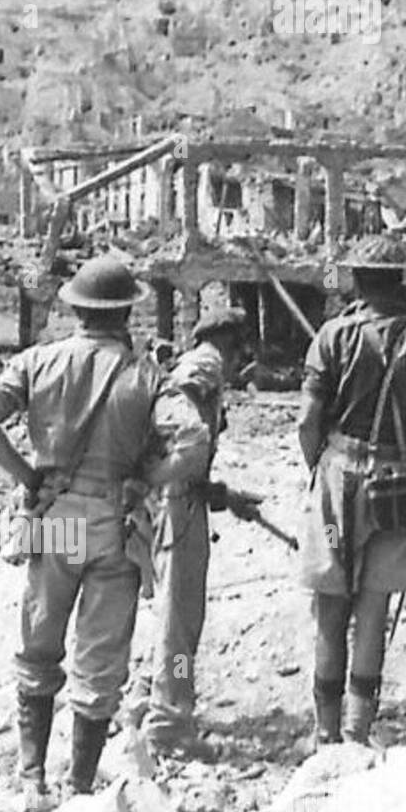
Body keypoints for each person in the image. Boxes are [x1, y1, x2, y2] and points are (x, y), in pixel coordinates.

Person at [0, 255, 209, 810]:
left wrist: (27, 475)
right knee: (99, 662)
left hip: (55, 521)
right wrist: (147, 480)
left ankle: (31, 780)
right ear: (127, 312)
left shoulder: (39, 361)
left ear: (73, 308)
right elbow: (193, 441)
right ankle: (78, 787)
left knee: (38, 645)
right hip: (113, 524)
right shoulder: (146, 376)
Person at [296, 235, 406, 746]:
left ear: (358, 280)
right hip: (400, 477)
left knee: (330, 606)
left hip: (339, 474)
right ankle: (359, 731)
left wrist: (318, 470)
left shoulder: (331, 337)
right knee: (374, 608)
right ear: (401, 281)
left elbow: (307, 422)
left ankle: (325, 733)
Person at [142, 305, 250, 760]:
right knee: (180, 620)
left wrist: (219, 492)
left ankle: (150, 702)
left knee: (175, 614)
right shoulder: (204, 366)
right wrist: (188, 475)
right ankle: (169, 721)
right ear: (233, 343)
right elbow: (178, 421)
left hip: (179, 495)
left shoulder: (199, 365)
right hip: (178, 502)